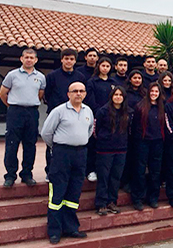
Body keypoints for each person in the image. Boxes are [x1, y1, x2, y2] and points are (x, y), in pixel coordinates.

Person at [41, 82, 94, 244]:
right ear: (68, 94)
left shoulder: (88, 111)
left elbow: (89, 130)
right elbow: (46, 133)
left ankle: (71, 228)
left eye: (81, 91)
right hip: (61, 154)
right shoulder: (59, 111)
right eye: (75, 91)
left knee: (74, 192)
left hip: (80, 154)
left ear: (85, 94)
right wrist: (59, 148)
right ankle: (55, 231)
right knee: (58, 192)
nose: (78, 93)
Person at [1, 48, 46, 187]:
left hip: (32, 112)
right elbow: (3, 93)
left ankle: (27, 174)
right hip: (15, 112)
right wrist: (12, 105)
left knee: (30, 144)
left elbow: (40, 94)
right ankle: (10, 175)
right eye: (26, 57)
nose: (29, 60)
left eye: (32, 58)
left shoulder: (41, 77)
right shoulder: (12, 75)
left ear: (36, 60)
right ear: (21, 59)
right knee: (12, 144)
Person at [44, 48, 86, 180]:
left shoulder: (80, 77)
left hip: (76, 114)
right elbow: (47, 95)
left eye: (72, 59)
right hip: (57, 113)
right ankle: (49, 171)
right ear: (62, 59)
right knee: (53, 145)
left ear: (75, 61)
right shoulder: (52, 76)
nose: (69, 61)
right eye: (66, 58)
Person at [95, 86, 130, 216]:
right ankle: (101, 203)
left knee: (115, 177)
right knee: (104, 177)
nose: (118, 97)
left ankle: (112, 202)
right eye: (116, 94)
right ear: (111, 96)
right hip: (105, 150)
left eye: (121, 95)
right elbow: (96, 130)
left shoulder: (127, 112)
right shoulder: (103, 111)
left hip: (121, 149)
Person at [131, 82, 165, 211]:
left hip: (158, 142)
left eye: (156, 92)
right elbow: (135, 127)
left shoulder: (162, 107)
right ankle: (138, 198)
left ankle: (153, 198)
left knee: (155, 171)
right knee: (139, 171)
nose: (154, 94)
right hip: (143, 142)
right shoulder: (140, 107)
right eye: (152, 91)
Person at [85, 57, 116, 181]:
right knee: (93, 143)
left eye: (108, 66)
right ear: (99, 67)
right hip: (96, 116)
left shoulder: (113, 83)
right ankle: (91, 170)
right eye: (103, 66)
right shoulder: (92, 82)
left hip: (111, 117)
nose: (105, 68)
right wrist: (100, 112)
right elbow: (90, 100)